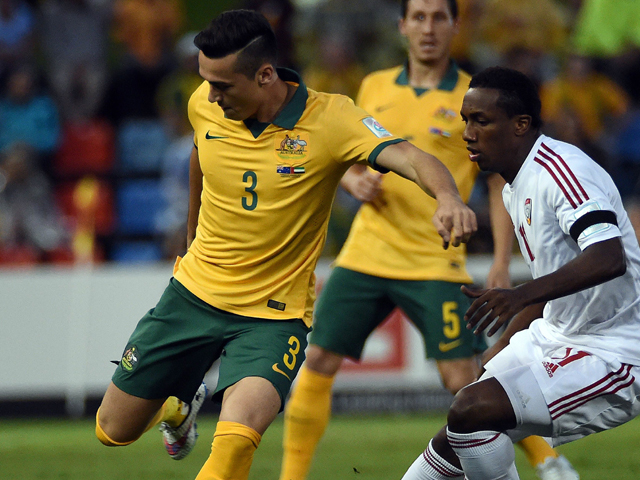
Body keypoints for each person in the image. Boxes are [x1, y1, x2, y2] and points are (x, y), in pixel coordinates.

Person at [94, 9, 477, 480]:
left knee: (234, 444)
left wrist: (448, 197)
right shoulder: (205, 103)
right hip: (193, 295)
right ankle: (180, 405)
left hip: (273, 317)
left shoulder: (332, 118)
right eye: (206, 82)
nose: (210, 96)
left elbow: (412, 157)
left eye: (223, 86)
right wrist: (190, 242)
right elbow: (201, 154)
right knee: (112, 430)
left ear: (265, 74)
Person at [280, 2, 578, 480]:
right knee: (316, 358)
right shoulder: (373, 86)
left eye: (439, 17)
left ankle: (550, 462)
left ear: (455, 27)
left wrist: (503, 260)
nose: (428, 28)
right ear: (402, 26)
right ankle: (290, 477)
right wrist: (353, 179)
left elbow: (499, 181)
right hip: (367, 252)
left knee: (464, 378)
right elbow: (344, 153)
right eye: (418, 17)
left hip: (434, 260)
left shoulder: (472, 94)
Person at [401, 66, 640, 480]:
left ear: (520, 125)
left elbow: (608, 256)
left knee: (471, 412)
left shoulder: (562, 172)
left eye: (481, 121)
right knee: (456, 431)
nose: (467, 134)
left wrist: (519, 296)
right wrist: (508, 339)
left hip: (616, 350)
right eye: (465, 120)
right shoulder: (514, 185)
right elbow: (562, 279)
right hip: (559, 334)